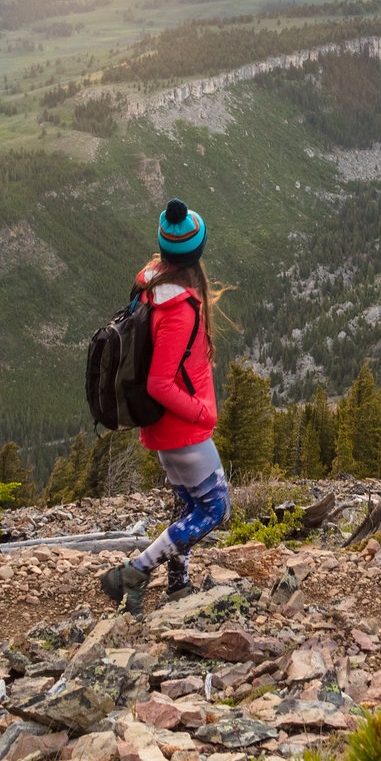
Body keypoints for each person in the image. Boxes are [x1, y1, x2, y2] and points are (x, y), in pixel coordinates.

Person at [99, 200, 229, 614]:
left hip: (162, 430)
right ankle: (134, 571)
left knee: (188, 506)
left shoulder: (151, 290)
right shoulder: (180, 309)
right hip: (182, 429)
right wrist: (201, 412)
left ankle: (178, 585)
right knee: (216, 508)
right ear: (197, 254)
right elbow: (159, 382)